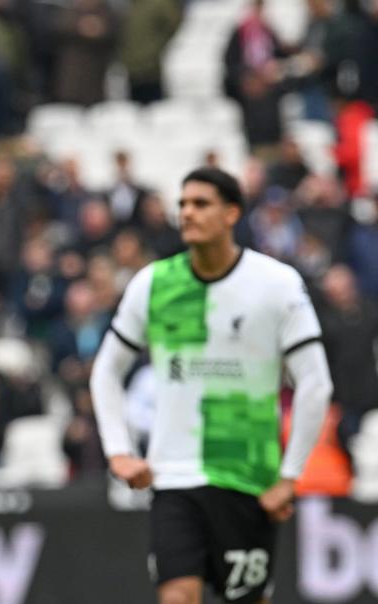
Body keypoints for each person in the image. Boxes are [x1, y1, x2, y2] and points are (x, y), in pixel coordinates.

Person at [90, 167, 332, 604]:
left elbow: (315, 384)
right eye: (182, 204)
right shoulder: (153, 284)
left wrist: (290, 476)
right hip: (174, 477)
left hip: (247, 478)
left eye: (201, 204)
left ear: (231, 214)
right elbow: (106, 369)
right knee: (177, 596)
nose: (187, 213)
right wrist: (118, 450)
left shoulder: (276, 285)